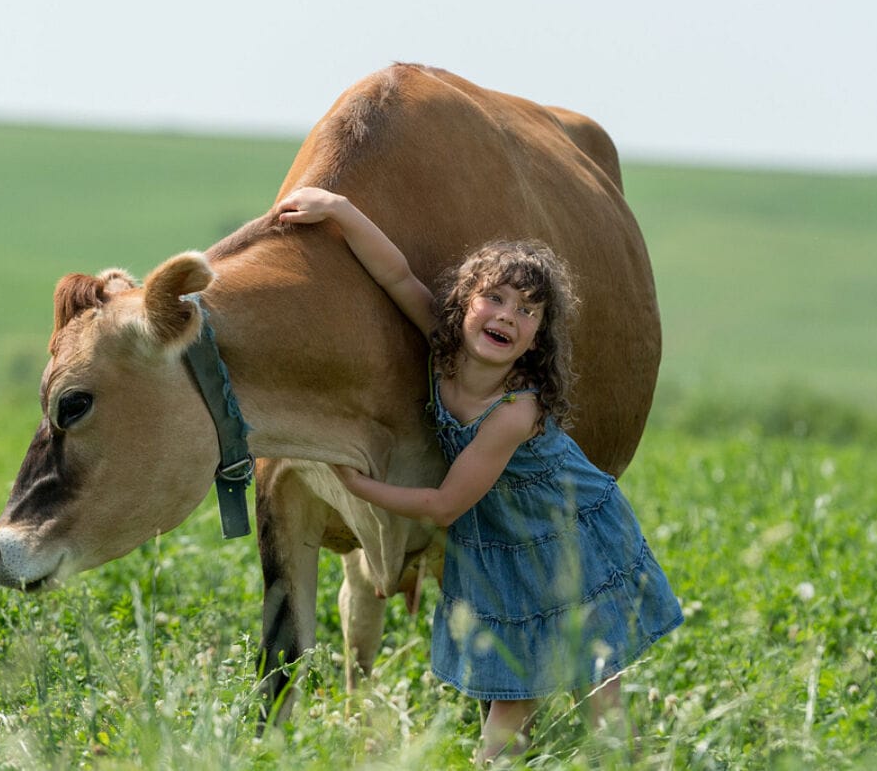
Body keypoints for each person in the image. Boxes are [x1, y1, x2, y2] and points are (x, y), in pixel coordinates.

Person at [276, 187, 683, 763]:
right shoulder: (442, 349)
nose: (506, 316)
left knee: (597, 695)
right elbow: (394, 274)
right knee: (514, 698)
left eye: (527, 311)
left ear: (537, 337)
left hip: (568, 542)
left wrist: (360, 487)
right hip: (504, 551)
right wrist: (340, 210)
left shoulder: (515, 411)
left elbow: (445, 506)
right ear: (464, 303)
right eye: (494, 297)